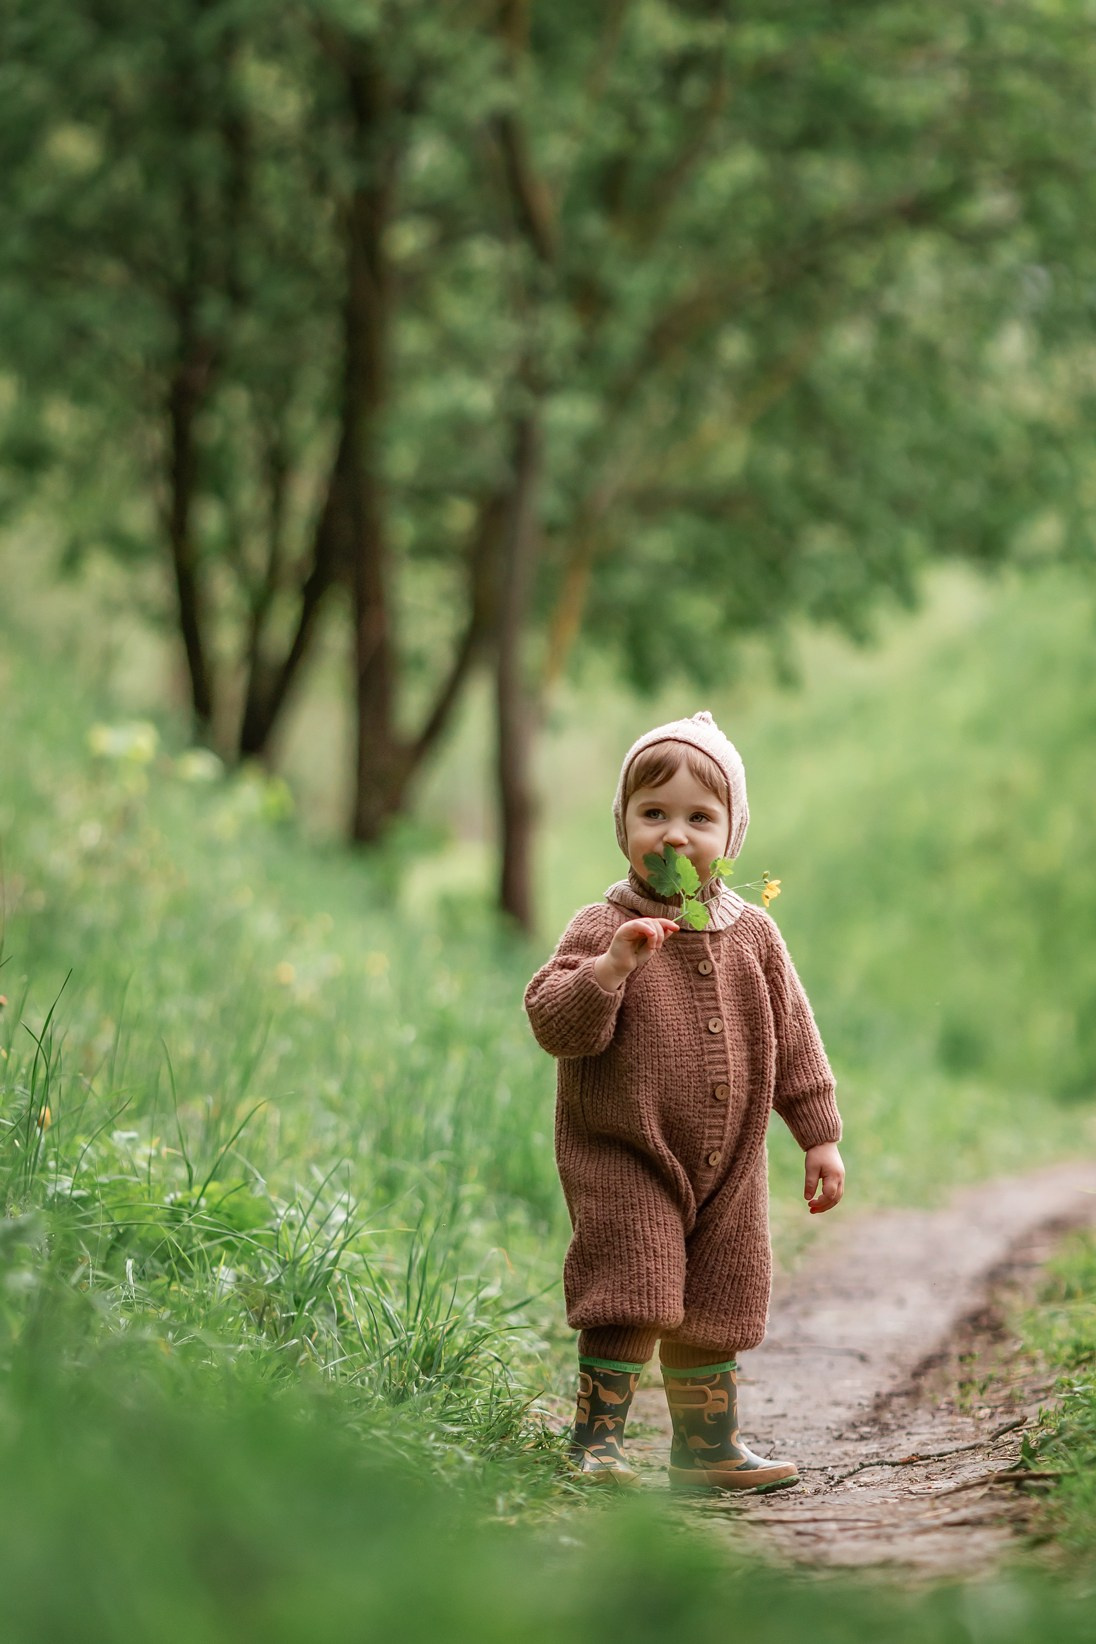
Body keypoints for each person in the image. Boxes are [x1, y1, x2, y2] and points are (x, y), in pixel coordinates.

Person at [524, 710, 844, 1491]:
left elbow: (795, 1040)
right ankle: (595, 1442)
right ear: (624, 825)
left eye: (700, 818)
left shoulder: (755, 936)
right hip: (626, 1152)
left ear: (731, 836)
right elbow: (553, 1022)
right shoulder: (604, 926)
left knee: (719, 1299)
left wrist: (819, 1136)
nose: (675, 835)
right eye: (653, 814)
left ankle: (706, 1449)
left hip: (729, 1163)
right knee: (632, 1286)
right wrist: (608, 971)